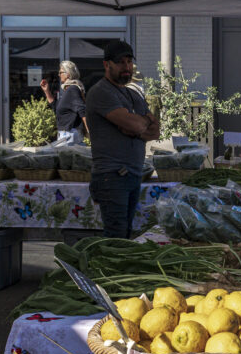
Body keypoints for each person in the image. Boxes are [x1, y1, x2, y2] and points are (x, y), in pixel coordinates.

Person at [85, 40, 160, 238]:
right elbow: (139, 125)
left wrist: (133, 125)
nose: (127, 67)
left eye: (129, 62)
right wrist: (138, 124)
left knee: (126, 234)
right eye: (121, 63)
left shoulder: (132, 94)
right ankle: (109, 270)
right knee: (116, 236)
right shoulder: (100, 92)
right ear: (106, 64)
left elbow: (155, 130)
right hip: (112, 177)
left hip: (132, 175)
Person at [40, 60, 88, 144]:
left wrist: (89, 132)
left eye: (60, 72)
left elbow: (82, 110)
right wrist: (47, 91)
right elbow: (55, 106)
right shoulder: (68, 91)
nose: (58, 75)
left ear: (68, 74)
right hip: (67, 134)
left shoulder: (72, 89)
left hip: (69, 134)